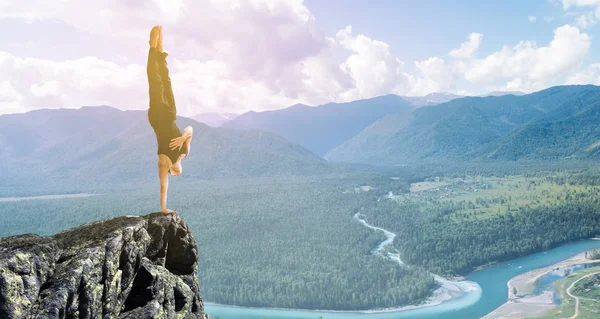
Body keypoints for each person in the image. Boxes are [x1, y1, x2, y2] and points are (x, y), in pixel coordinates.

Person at [147, 25, 193, 214]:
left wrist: (164, 209)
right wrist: (183, 137)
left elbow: (162, 188)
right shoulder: (185, 151)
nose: (177, 174)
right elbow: (190, 129)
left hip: (158, 117)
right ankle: (160, 49)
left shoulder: (164, 162)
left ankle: (152, 47)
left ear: (171, 171)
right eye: (178, 173)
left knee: (155, 82)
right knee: (166, 81)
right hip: (171, 113)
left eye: (174, 174)